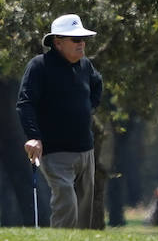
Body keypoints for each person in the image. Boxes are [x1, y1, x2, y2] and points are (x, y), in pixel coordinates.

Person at [17, 14, 104, 229]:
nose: (81, 43)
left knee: (84, 211)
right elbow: (25, 103)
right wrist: (34, 137)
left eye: (83, 39)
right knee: (66, 201)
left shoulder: (85, 66)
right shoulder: (39, 66)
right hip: (55, 152)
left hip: (85, 150)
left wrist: (87, 109)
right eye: (75, 40)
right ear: (57, 42)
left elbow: (97, 84)